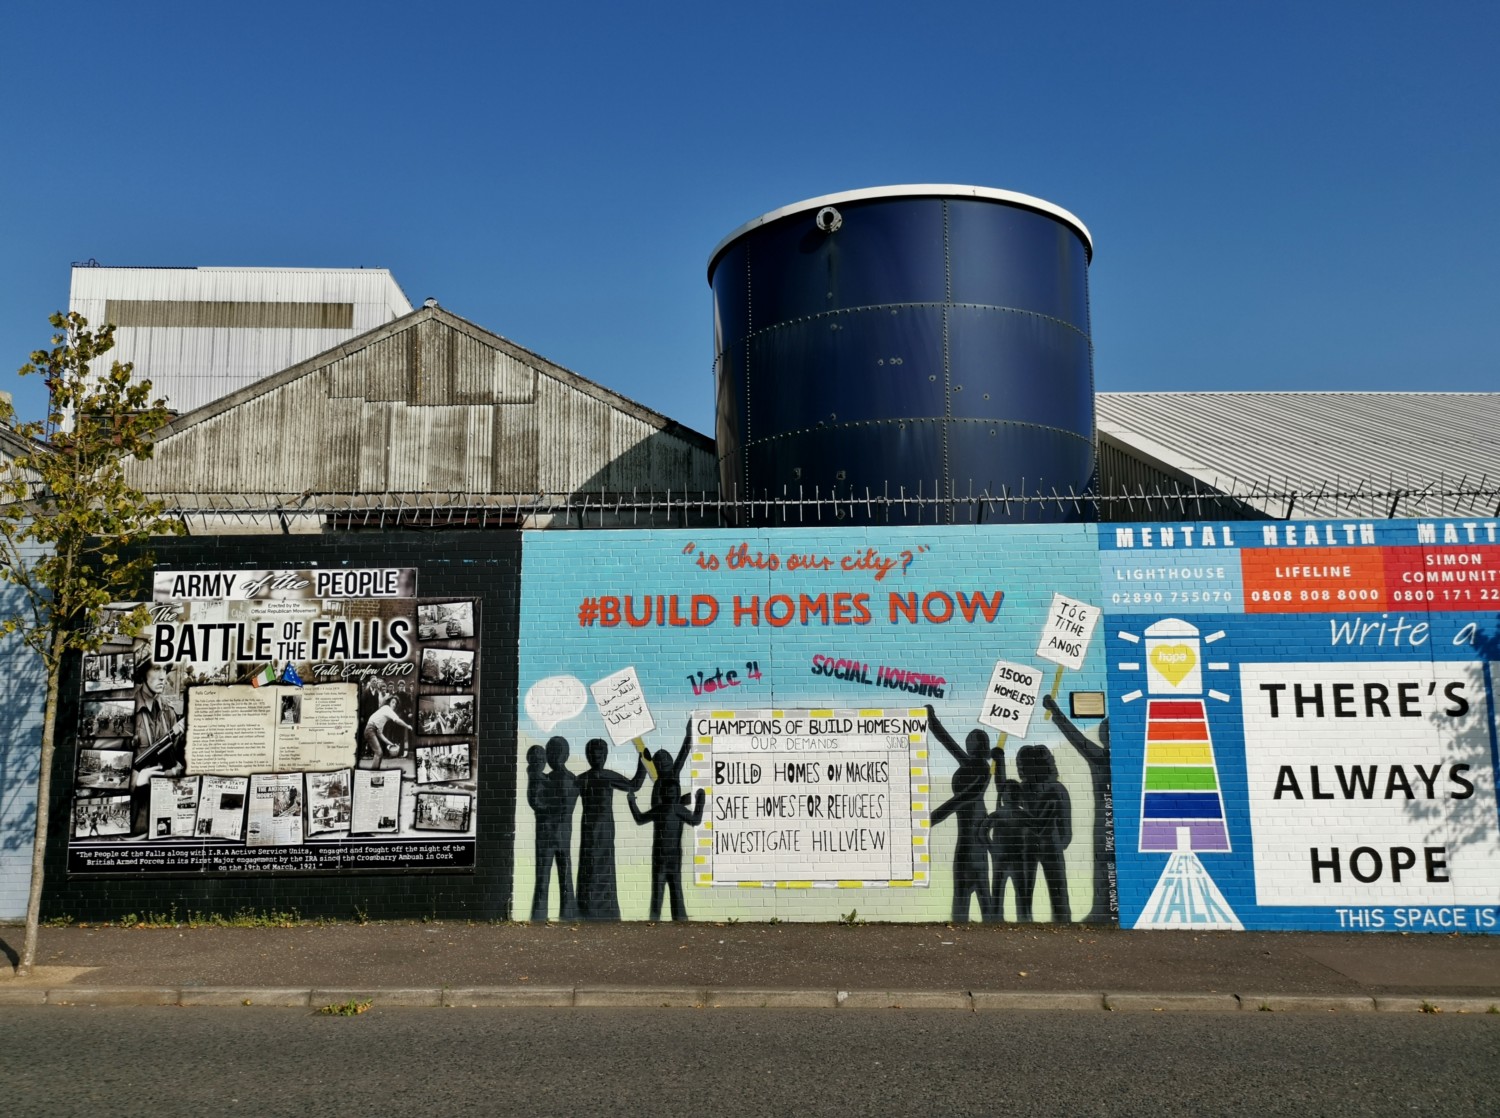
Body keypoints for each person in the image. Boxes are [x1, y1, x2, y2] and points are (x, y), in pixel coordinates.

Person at [926, 704, 1001, 922]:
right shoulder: (970, 764)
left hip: (973, 843)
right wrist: (932, 720)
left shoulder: (981, 771)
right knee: (971, 896)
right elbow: (947, 742)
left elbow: (960, 800)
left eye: (973, 744)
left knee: (975, 896)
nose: (969, 747)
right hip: (968, 842)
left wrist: (929, 820)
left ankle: (989, 934)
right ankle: (985, 931)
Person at [627, 721, 704, 923]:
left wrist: (689, 734)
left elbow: (684, 753)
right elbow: (662, 811)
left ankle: (669, 917)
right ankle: (661, 917)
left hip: (668, 850)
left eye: (667, 760)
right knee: (663, 888)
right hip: (664, 850)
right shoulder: (665, 784)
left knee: (669, 887)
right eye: (662, 762)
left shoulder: (670, 779)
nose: (667, 764)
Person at [575, 739, 646, 921]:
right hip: (591, 828)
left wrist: (642, 762)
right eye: (594, 753)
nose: (597, 757)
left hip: (603, 828)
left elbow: (634, 785)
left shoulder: (598, 777)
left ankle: (602, 908)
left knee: (602, 866)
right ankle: (589, 907)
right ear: (588, 755)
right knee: (589, 866)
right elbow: (634, 785)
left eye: (601, 753)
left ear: (605, 755)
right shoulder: (584, 779)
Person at [1014, 744, 1072, 922]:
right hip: (1051, 845)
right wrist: (1057, 844)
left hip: (1028, 846)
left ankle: (1024, 922)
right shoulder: (1057, 789)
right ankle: (1063, 924)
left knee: (1024, 892)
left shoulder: (1023, 789)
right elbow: (1066, 828)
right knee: (1059, 893)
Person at [131, 662, 185, 833]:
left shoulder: (168, 711)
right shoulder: (127, 710)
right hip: (136, 812)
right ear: (142, 673)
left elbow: (176, 756)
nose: (163, 676)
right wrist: (137, 778)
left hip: (164, 805)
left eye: (165, 669)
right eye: (156, 668)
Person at [362, 692, 413, 769]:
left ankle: (376, 771)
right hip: (370, 730)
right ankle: (373, 773)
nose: (394, 704)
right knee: (379, 752)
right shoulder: (386, 708)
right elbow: (397, 720)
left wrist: (391, 744)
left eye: (395, 703)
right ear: (389, 702)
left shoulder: (383, 718)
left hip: (370, 730)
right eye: (393, 702)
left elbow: (380, 734)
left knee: (379, 753)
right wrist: (407, 726)